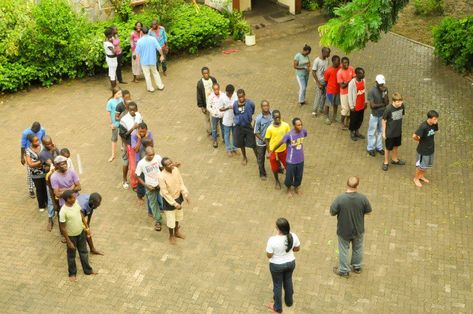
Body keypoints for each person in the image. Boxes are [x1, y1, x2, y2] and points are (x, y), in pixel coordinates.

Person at [330, 177, 372, 277]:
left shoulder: (340, 198)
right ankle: (357, 267)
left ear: (347, 184)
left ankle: (344, 270)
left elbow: (332, 212)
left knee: (344, 249)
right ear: (357, 186)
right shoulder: (363, 198)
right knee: (358, 248)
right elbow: (369, 211)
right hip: (358, 229)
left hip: (344, 230)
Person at [59, 190, 96, 281]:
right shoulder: (63, 211)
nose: (75, 198)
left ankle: (87, 270)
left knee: (84, 252)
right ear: (67, 199)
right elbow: (63, 228)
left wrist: (86, 226)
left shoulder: (76, 203)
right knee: (71, 256)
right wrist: (68, 241)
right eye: (72, 197)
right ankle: (72, 273)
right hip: (71, 236)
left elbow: (81, 214)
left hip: (81, 233)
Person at [265, 218, 300, 314]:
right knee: (288, 280)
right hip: (290, 263)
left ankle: (278, 308)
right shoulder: (293, 236)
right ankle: (289, 302)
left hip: (276, 266)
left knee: (277, 285)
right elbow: (297, 249)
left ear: (278, 228)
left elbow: (269, 255)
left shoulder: (272, 240)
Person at [271, 118, 307, 196]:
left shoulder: (304, 131)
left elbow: (305, 136)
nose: (300, 126)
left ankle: (296, 188)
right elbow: (279, 143)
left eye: (301, 124)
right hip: (291, 160)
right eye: (298, 125)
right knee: (289, 176)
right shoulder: (289, 135)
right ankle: (288, 189)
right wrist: (272, 151)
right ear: (294, 126)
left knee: (299, 175)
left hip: (300, 159)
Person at [159, 157, 190, 245]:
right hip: (169, 201)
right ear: (164, 167)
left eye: (171, 163)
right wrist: (174, 203)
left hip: (178, 197)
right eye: (169, 164)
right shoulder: (161, 177)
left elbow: (181, 183)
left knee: (178, 216)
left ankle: (177, 232)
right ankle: (171, 235)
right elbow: (165, 193)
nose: (171, 165)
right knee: (170, 219)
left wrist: (185, 193)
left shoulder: (176, 170)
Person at [136, 147, 164, 232]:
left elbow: (162, 168)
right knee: (153, 204)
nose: (152, 157)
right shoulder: (141, 163)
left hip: (160, 184)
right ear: (145, 154)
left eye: (153, 154)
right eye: (150, 155)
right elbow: (137, 176)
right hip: (150, 187)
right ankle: (158, 221)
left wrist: (162, 181)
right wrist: (146, 186)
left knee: (164, 200)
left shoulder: (158, 158)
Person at [119, 102, 143, 189]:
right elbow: (123, 135)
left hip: (138, 142)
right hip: (128, 143)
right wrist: (133, 128)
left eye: (134, 110)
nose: (133, 111)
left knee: (138, 162)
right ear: (128, 110)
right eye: (131, 110)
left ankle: (139, 180)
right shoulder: (124, 120)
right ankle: (124, 179)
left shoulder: (139, 115)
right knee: (127, 162)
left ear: (137, 109)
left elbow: (143, 126)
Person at [413, 110, 439, 187]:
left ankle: (421, 176)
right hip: (423, 151)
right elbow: (414, 136)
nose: (436, 120)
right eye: (435, 119)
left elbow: (434, 131)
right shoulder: (423, 126)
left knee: (426, 165)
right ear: (430, 118)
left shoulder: (435, 124)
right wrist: (420, 141)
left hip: (430, 149)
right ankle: (416, 178)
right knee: (420, 166)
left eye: (437, 119)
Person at [265, 110, 291, 189]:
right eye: (275, 117)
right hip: (273, 151)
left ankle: (289, 180)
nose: (277, 119)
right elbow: (267, 140)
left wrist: (289, 148)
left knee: (288, 166)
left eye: (279, 117)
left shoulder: (286, 125)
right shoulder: (270, 128)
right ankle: (277, 181)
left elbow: (289, 137)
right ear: (272, 118)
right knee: (274, 168)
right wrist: (269, 151)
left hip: (283, 150)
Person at [136, 26, 165, 92]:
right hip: (152, 60)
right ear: (148, 32)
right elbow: (159, 48)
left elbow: (137, 52)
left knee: (147, 75)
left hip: (144, 61)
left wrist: (138, 61)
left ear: (141, 32)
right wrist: (162, 55)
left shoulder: (139, 41)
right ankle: (160, 86)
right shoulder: (153, 39)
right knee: (155, 73)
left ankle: (150, 88)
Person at [39, 135, 60, 231]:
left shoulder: (55, 149)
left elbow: (60, 158)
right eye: (47, 144)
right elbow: (53, 163)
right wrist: (53, 151)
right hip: (50, 180)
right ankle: (50, 219)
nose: (50, 144)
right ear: (43, 144)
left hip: (59, 177)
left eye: (51, 142)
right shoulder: (42, 154)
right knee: (51, 200)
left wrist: (56, 150)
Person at [20, 121, 46, 198]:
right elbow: (22, 146)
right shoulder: (25, 133)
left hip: (39, 152)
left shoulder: (42, 130)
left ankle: (43, 187)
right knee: (30, 172)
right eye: (32, 130)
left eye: (35, 131)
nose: (34, 131)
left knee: (42, 168)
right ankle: (31, 189)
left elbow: (43, 140)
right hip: (29, 154)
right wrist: (22, 157)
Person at [382, 93, 406, 171]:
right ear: (393, 101)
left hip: (398, 131)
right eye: (398, 102)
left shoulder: (402, 106)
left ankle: (395, 159)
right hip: (390, 133)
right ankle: (386, 162)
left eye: (401, 101)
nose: (400, 103)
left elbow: (402, 115)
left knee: (396, 145)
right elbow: (384, 120)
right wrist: (383, 132)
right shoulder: (388, 109)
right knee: (388, 148)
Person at [367, 74, 389, 157]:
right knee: (372, 131)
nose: (381, 85)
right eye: (380, 83)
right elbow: (372, 106)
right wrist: (382, 104)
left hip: (382, 114)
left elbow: (387, 102)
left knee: (381, 131)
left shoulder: (385, 89)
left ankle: (379, 147)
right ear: (376, 82)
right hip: (374, 115)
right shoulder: (372, 91)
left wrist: (385, 93)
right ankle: (370, 148)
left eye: (382, 83)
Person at [25, 135, 48, 212]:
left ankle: (47, 202)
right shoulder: (28, 151)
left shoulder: (42, 146)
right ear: (31, 142)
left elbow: (48, 156)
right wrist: (41, 161)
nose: (38, 142)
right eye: (35, 141)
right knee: (39, 189)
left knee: (46, 188)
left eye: (38, 140)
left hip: (45, 172)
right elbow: (30, 164)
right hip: (36, 175)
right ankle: (41, 205)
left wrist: (36, 163)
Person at [253, 100, 273, 179]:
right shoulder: (258, 119)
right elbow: (255, 132)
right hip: (261, 142)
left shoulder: (273, 115)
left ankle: (278, 168)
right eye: (264, 106)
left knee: (274, 155)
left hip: (271, 141)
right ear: (261, 107)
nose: (266, 107)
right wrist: (264, 140)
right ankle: (262, 173)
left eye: (267, 105)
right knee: (261, 158)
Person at [196, 67, 217, 136]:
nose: (206, 74)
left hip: (214, 103)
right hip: (206, 104)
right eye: (204, 73)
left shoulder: (213, 79)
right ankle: (209, 131)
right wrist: (202, 107)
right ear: (202, 74)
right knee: (207, 118)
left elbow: (217, 89)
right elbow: (198, 95)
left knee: (215, 117)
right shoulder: (200, 83)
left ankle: (216, 131)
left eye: (207, 73)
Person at [347, 67, 367, 141]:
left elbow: (365, 91)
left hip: (362, 104)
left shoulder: (363, 81)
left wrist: (365, 102)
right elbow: (349, 95)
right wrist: (351, 106)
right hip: (355, 106)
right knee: (353, 120)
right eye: (361, 73)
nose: (363, 74)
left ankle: (357, 131)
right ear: (357, 74)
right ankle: (352, 132)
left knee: (360, 119)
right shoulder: (352, 83)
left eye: (363, 73)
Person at [218, 84, 238, 156]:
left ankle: (235, 148)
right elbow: (220, 109)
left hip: (234, 118)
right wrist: (228, 108)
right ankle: (228, 149)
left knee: (235, 134)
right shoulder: (222, 97)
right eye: (229, 93)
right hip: (226, 119)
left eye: (231, 93)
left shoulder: (235, 95)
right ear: (226, 92)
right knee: (227, 135)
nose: (230, 95)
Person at [337, 57, 356, 130]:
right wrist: (350, 81)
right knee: (345, 109)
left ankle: (347, 122)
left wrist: (347, 82)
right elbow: (342, 86)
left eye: (347, 62)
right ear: (341, 64)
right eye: (344, 63)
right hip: (344, 93)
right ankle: (341, 123)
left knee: (351, 108)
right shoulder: (339, 73)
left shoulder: (351, 68)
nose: (346, 64)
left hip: (351, 92)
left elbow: (355, 78)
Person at [312, 47, 331, 117]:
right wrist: (318, 83)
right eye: (328, 53)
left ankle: (321, 108)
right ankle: (314, 111)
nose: (329, 54)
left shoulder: (327, 60)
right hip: (319, 81)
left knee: (324, 96)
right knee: (318, 95)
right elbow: (313, 72)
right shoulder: (317, 61)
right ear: (323, 52)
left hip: (325, 81)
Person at [106, 87, 123, 162]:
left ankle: (122, 146)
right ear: (114, 94)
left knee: (122, 134)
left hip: (122, 122)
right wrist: (111, 123)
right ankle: (113, 154)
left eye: (121, 93)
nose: (120, 95)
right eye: (119, 93)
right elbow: (108, 114)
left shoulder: (121, 100)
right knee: (114, 138)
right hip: (115, 123)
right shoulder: (110, 102)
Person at [323, 55, 341, 125]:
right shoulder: (328, 71)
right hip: (330, 91)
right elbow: (326, 81)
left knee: (336, 104)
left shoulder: (340, 68)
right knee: (328, 104)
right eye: (337, 61)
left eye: (339, 61)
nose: (339, 62)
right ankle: (327, 117)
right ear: (333, 61)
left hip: (338, 91)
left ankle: (334, 117)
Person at [207, 83, 225, 148]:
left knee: (223, 127)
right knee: (214, 128)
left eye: (217, 89)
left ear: (219, 88)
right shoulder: (210, 97)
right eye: (215, 90)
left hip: (222, 115)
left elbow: (225, 104)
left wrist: (224, 111)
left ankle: (224, 139)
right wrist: (213, 112)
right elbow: (208, 107)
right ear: (213, 90)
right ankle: (215, 141)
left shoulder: (223, 95)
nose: (216, 91)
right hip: (214, 115)